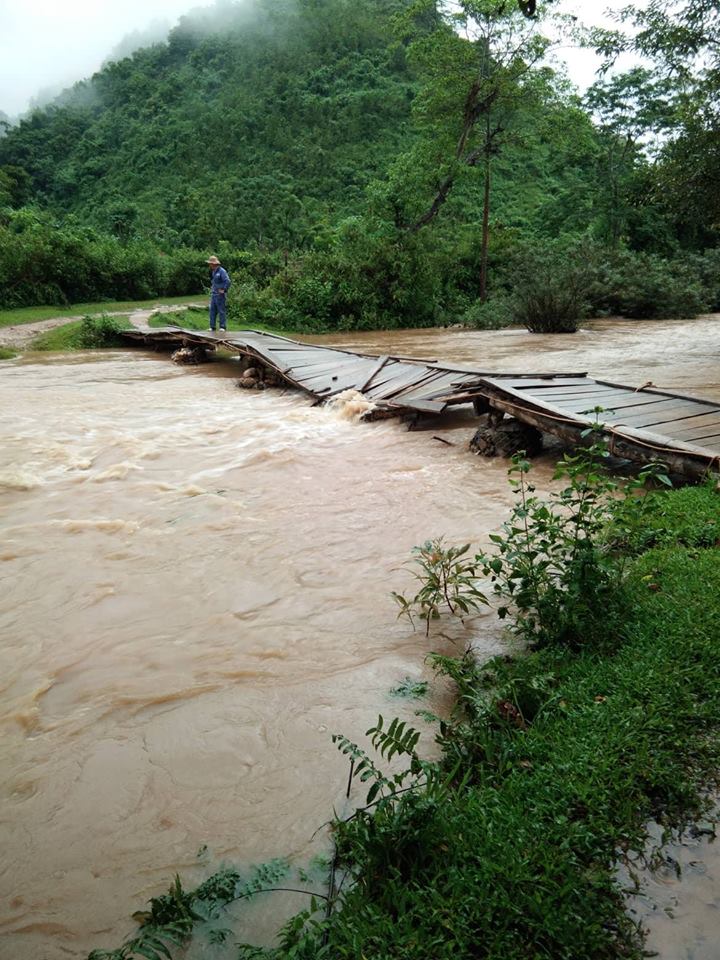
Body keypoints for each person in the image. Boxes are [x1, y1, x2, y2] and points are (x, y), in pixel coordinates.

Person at [206, 256, 231, 332]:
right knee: (212, 310)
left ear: (214, 264)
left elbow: (227, 281)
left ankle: (222, 327)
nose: (209, 265)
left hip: (220, 295)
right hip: (214, 294)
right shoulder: (214, 271)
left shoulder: (222, 271)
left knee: (221, 311)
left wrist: (224, 289)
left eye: (210, 263)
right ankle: (212, 326)